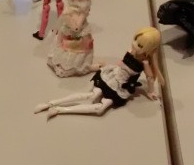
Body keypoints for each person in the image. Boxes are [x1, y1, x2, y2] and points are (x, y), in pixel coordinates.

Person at [35, 27, 165, 118]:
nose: (135, 45)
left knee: (100, 108)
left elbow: (149, 78)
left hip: (121, 86)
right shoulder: (130, 51)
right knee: (91, 96)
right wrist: (109, 69)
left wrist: (150, 91)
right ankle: (51, 103)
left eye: (140, 45)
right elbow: (121, 63)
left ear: (149, 48)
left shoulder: (145, 63)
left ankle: (60, 110)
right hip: (111, 76)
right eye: (135, 40)